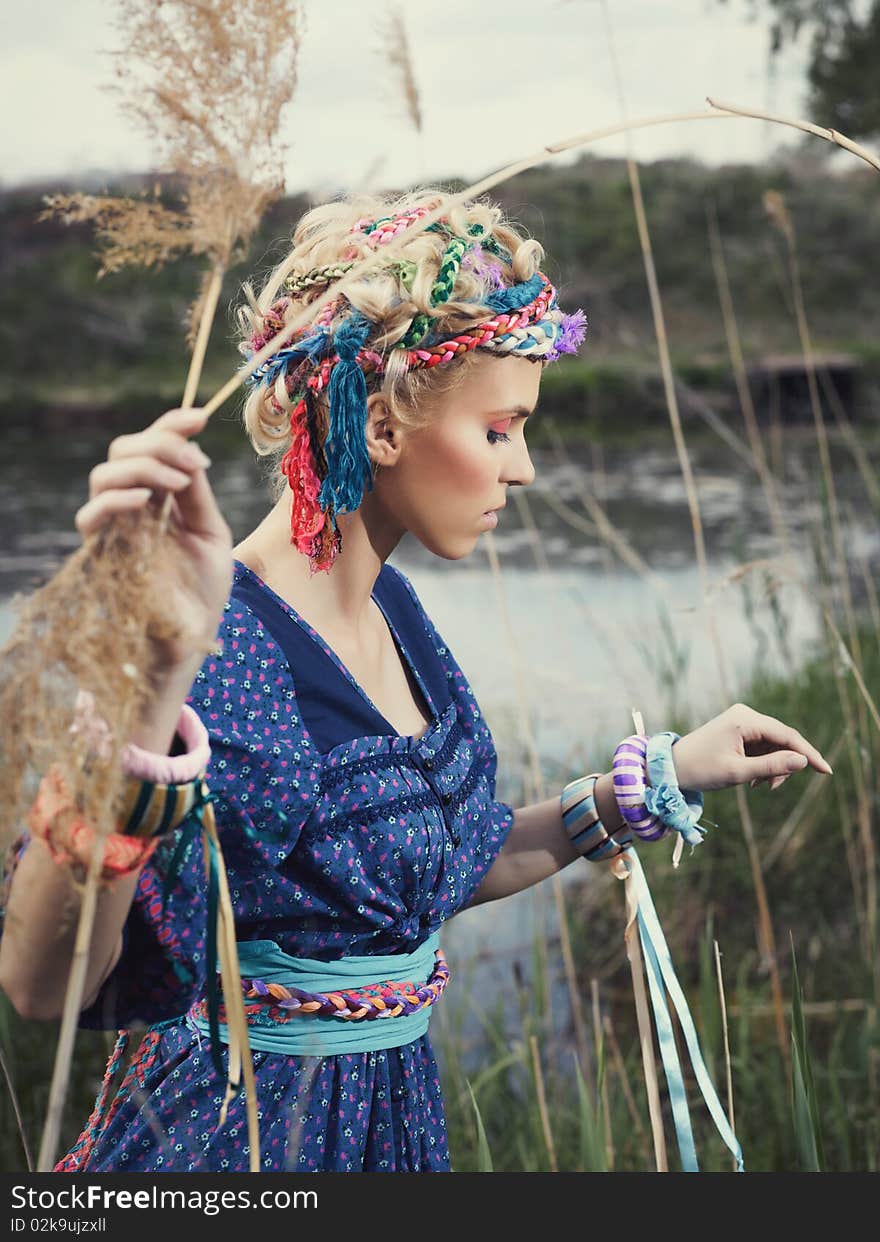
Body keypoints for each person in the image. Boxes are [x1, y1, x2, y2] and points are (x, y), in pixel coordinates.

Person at [0, 190, 832, 1173]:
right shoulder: (220, 649)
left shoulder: (393, 615)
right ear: (385, 424)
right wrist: (147, 697)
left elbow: (423, 878)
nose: (522, 470)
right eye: (499, 430)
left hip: (386, 1129)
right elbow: (46, 985)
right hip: (244, 1146)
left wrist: (653, 781)